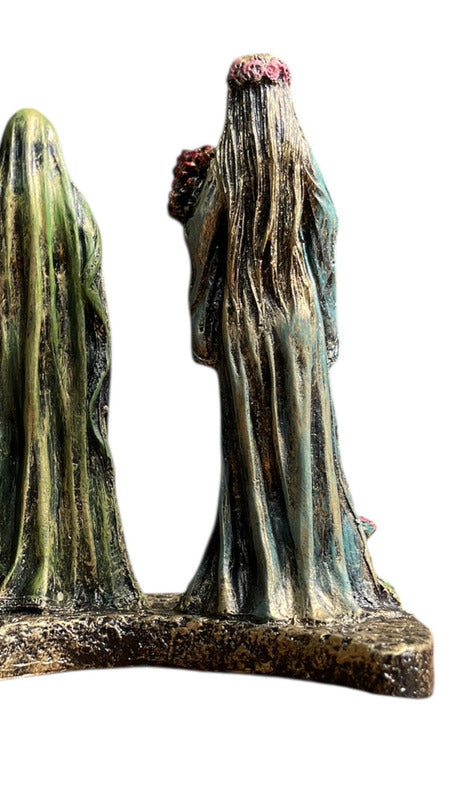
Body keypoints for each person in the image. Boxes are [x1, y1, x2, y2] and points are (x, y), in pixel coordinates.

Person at [170, 55, 398, 622]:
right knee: (305, 439)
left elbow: (203, 240)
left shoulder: (228, 168)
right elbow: (327, 223)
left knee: (253, 450)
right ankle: (318, 562)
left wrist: (201, 316)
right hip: (296, 315)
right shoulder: (297, 156)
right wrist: (328, 313)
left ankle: (259, 579)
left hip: (244, 319)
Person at [0, 109, 143, 613]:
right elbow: (94, 294)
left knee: (17, 454)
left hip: (9, 372)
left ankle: (22, 562)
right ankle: (76, 570)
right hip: (67, 371)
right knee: (68, 458)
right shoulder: (71, 205)